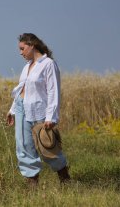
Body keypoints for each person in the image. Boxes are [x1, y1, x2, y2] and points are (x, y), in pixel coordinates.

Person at [6, 33, 70, 187]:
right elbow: (22, 89)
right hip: (22, 107)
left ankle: (65, 179)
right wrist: (12, 110)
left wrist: (51, 117)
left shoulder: (48, 64)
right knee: (23, 146)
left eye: (22, 49)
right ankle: (32, 185)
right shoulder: (26, 67)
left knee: (47, 146)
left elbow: (53, 91)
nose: (21, 53)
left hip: (39, 109)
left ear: (32, 45)